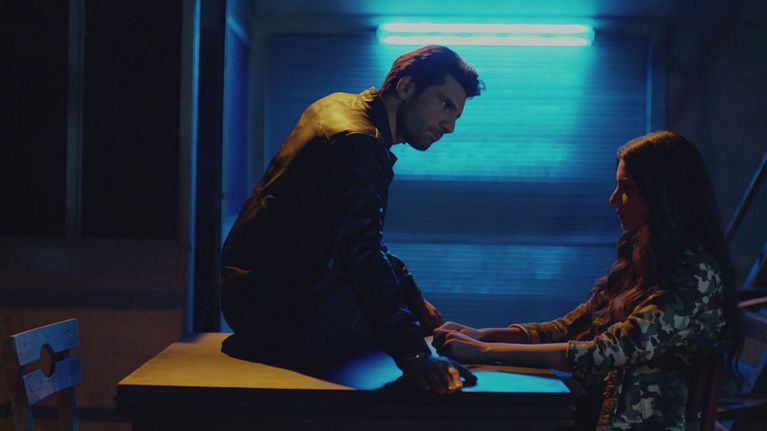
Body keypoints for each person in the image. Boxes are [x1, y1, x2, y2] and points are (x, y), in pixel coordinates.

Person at [433, 131, 742, 428]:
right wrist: (482, 335)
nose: (613, 199)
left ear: (663, 195)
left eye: (626, 189)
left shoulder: (695, 274)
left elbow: (608, 350)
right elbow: (570, 328)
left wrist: (484, 352)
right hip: (593, 416)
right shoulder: (645, 257)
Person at [220, 45, 483, 395]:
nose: (449, 126)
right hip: (275, 310)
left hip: (256, 291)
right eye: (445, 104)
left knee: (403, 316)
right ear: (406, 87)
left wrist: (411, 294)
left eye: (456, 115)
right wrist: (417, 355)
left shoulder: (340, 106)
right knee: (403, 334)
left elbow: (348, 230)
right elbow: (361, 250)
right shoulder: (356, 143)